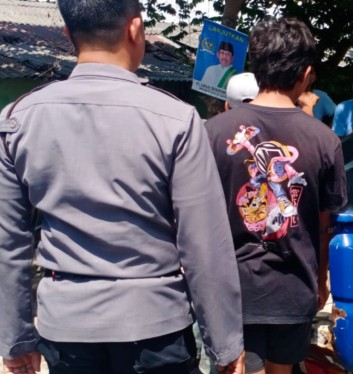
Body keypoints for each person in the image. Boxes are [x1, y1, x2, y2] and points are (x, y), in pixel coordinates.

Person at [0, 1, 245, 373]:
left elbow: (8, 242)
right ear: (135, 29)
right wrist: (225, 345)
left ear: (68, 35)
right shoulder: (176, 120)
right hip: (156, 327)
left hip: (67, 329)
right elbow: (204, 244)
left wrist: (15, 338)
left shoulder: (18, 119)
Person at [205, 17, 347, 374]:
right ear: (306, 73)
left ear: (256, 66)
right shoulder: (325, 140)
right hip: (294, 288)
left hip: (228, 293)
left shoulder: (211, 132)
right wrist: (320, 282)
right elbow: (325, 225)